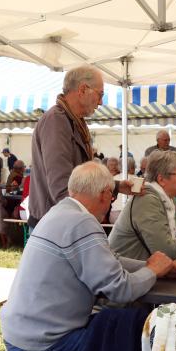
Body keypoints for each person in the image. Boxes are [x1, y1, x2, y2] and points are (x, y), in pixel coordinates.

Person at [0, 161, 176, 351]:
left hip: (21, 334)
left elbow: (110, 258)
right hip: (41, 347)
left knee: (124, 323)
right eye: (112, 196)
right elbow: (120, 289)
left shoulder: (59, 212)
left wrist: (155, 266)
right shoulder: (82, 223)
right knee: (139, 345)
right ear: (104, 194)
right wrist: (153, 271)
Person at [28, 65, 105, 231]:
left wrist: (115, 186)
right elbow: (61, 186)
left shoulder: (73, 122)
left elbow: (80, 179)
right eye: (100, 94)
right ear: (83, 89)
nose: (101, 102)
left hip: (61, 219)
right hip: (54, 224)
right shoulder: (57, 120)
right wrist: (85, 222)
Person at [109, 150, 176, 261]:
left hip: (143, 272)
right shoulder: (147, 200)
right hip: (123, 273)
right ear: (161, 179)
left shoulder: (169, 198)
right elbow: (165, 251)